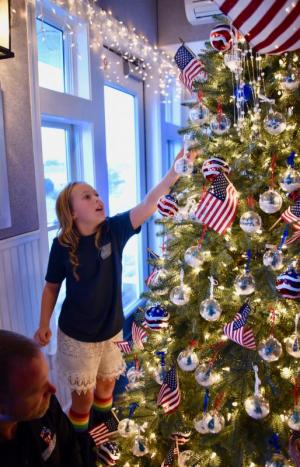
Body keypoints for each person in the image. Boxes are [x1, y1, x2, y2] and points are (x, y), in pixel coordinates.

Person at [34, 147, 199, 458]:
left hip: (111, 331)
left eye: (97, 194)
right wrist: (43, 323)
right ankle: (79, 449)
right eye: (87, 196)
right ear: (71, 212)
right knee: (81, 404)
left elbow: (149, 203)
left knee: (107, 390)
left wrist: (175, 171)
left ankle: (103, 435)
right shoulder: (62, 245)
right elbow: (51, 286)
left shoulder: (115, 229)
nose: (97, 199)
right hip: (77, 337)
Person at [0, 329, 84, 467]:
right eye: (34, 390)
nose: (52, 390)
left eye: (46, 379)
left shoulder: (46, 403)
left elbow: (70, 446)